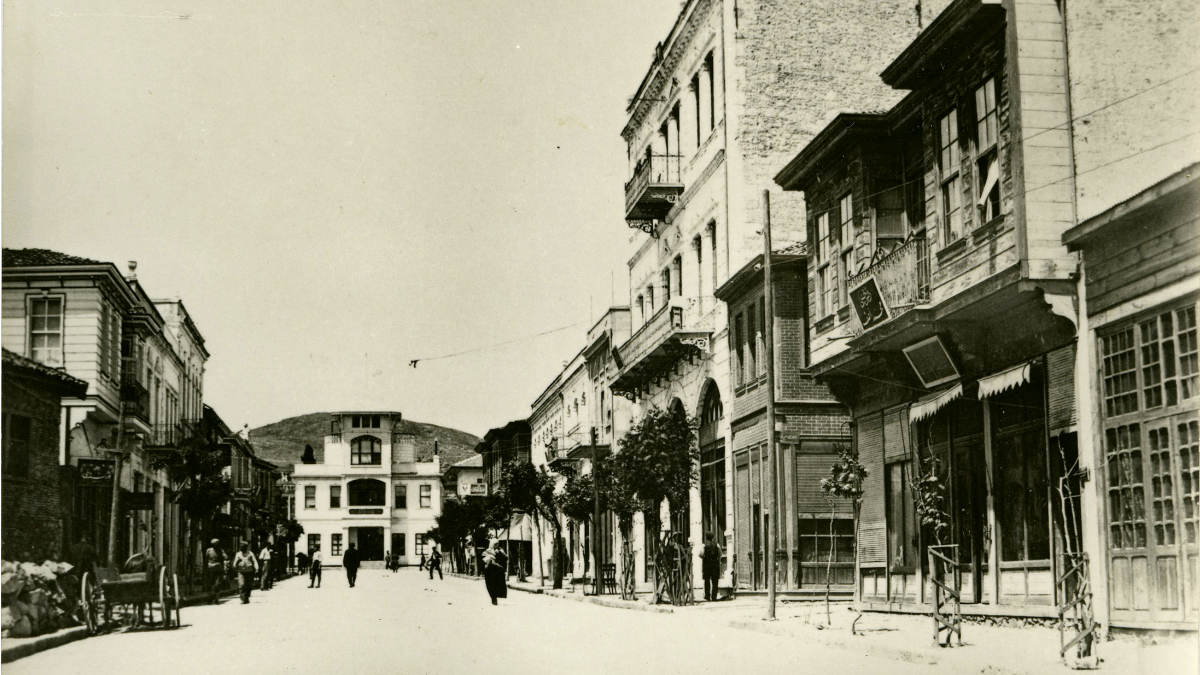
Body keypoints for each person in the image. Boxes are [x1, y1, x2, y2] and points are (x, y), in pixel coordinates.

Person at [700, 532, 722, 602]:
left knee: (707, 581)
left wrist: (705, 557)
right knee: (715, 581)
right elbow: (720, 554)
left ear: (706, 537)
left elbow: (700, 554)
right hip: (715, 565)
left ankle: (707, 596)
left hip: (707, 565)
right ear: (712, 538)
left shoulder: (704, 545)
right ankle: (714, 597)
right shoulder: (717, 545)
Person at [205, 539, 227, 603]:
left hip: (218, 569)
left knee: (217, 584)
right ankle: (210, 597)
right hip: (210, 568)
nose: (216, 545)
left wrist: (225, 558)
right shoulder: (208, 550)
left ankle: (216, 599)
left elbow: (225, 557)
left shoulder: (221, 550)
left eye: (217, 544)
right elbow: (206, 559)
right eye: (214, 544)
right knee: (210, 584)